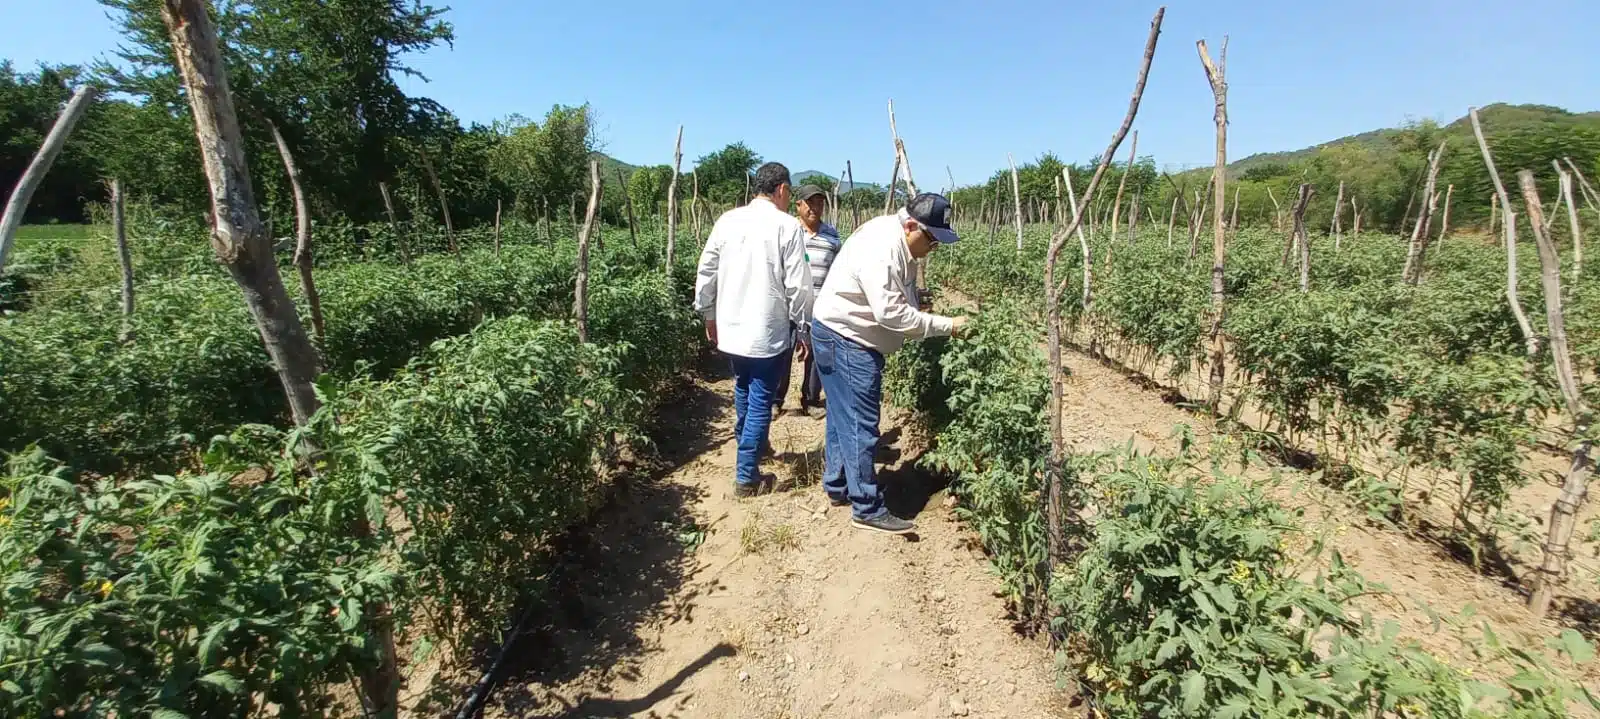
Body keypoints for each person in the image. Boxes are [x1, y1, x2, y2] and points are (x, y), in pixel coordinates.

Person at [812, 192, 968, 534]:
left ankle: (839, 486)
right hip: (848, 340)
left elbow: (899, 294)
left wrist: (919, 304)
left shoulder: (897, 240)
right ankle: (866, 508)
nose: (934, 247)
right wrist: (947, 326)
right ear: (911, 225)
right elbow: (891, 314)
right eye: (931, 239)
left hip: (837, 332)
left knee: (842, 419)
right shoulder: (883, 249)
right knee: (861, 426)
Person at [694, 162, 813, 498]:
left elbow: (707, 270)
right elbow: (799, 285)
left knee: (743, 388)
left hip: (731, 329)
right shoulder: (787, 227)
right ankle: (746, 476)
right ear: (782, 190)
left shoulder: (728, 220)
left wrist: (708, 314)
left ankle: (755, 446)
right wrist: (803, 326)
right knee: (760, 397)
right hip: (765, 330)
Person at [772, 184, 841, 418]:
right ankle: (775, 400)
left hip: (820, 308)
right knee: (783, 353)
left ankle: (810, 400)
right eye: (810, 203)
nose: (815, 208)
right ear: (798, 205)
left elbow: (839, 269)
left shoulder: (832, 235)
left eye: (820, 203)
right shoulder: (787, 231)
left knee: (816, 357)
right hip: (787, 307)